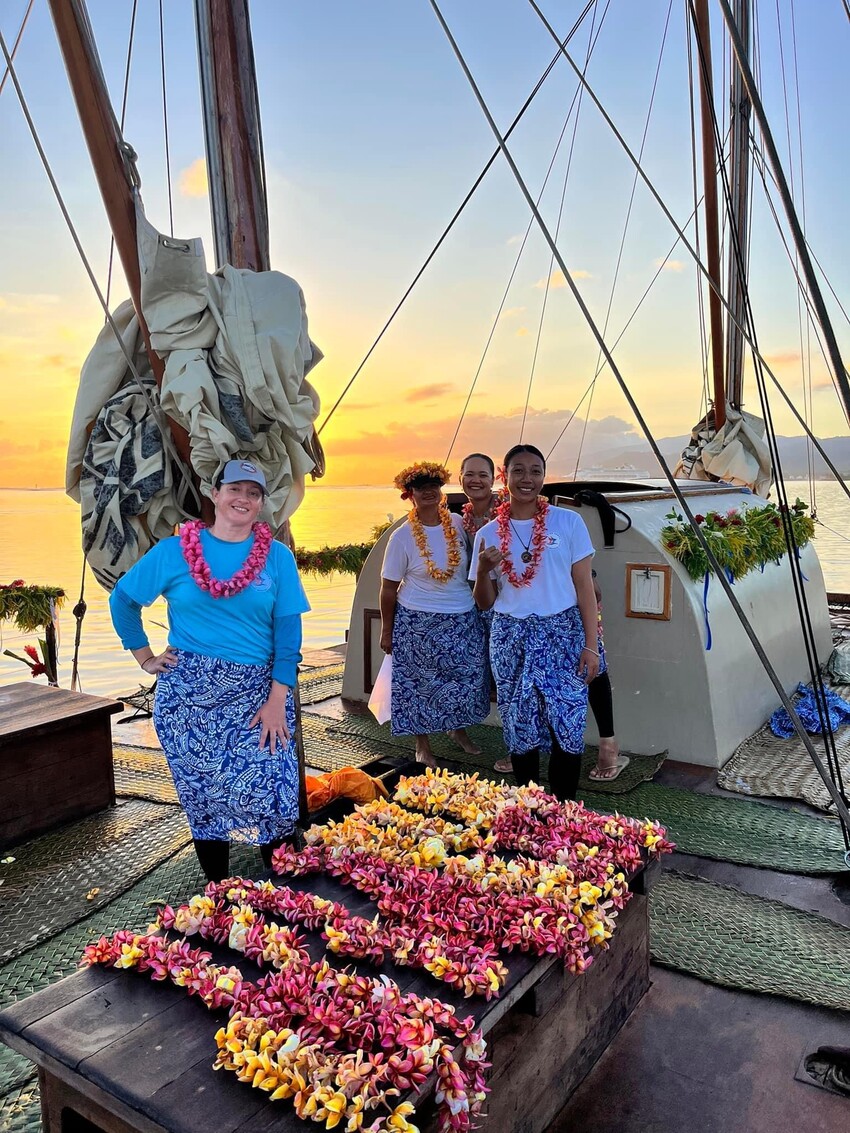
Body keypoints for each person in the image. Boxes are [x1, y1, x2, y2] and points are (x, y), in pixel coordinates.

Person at [109, 459, 309, 882]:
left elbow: (289, 634)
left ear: (260, 505)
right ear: (214, 495)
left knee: (272, 789)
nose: (244, 498)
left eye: (254, 493)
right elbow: (123, 600)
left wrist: (278, 699)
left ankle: (282, 890)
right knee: (203, 797)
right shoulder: (173, 552)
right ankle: (219, 890)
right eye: (235, 489)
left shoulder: (277, 558)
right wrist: (144, 657)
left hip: (258, 692)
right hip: (189, 697)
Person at [471, 443, 599, 801]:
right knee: (518, 722)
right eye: (519, 471)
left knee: (568, 721)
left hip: (563, 633)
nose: (527, 479)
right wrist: (482, 570)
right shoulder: (488, 534)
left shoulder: (568, 522)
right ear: (505, 476)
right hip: (510, 635)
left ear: (544, 476)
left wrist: (591, 645)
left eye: (535, 471)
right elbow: (485, 602)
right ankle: (529, 809)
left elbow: (584, 587)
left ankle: (565, 810)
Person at [380, 460, 490, 767]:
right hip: (418, 618)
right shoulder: (401, 537)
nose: (429, 492)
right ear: (409, 494)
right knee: (419, 684)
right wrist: (387, 630)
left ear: (442, 490)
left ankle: (458, 729)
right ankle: (422, 745)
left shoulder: (456, 523)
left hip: (462, 614)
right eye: (420, 487)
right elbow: (388, 588)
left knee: (465, 679)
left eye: (434, 486)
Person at [588, 569, 628, 781]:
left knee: (594, 669)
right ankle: (521, 747)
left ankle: (608, 746)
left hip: (574, 607)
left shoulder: (569, 534)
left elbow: (595, 593)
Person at [459, 452, 499, 549]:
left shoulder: (506, 507)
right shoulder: (467, 520)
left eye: (483, 475)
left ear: (492, 481)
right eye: (469, 474)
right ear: (460, 479)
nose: (476, 480)